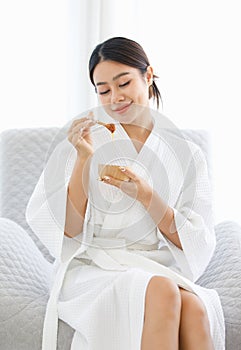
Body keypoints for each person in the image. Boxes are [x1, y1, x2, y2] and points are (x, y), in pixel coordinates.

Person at [26, 37, 225, 350]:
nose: (115, 97)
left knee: (197, 309)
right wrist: (83, 158)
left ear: (147, 76)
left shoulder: (187, 154)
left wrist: (147, 196)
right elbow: (69, 231)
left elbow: (196, 238)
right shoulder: (85, 140)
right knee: (162, 291)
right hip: (94, 267)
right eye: (103, 90)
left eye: (123, 83)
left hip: (154, 264)